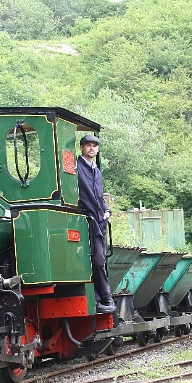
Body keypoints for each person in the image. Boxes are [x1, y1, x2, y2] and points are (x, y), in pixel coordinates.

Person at [77, 134, 115, 314]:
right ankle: (104, 297)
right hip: (87, 219)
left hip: (100, 220)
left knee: (100, 260)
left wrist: (107, 210)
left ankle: (104, 297)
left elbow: (99, 196)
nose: (91, 148)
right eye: (88, 145)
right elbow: (85, 196)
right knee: (97, 260)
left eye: (94, 146)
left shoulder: (96, 170)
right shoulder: (77, 168)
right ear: (82, 148)